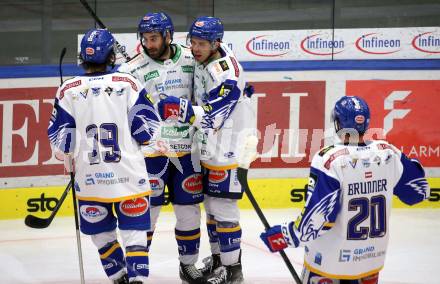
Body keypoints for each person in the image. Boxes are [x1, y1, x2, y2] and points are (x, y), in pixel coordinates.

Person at [260, 96, 430, 284]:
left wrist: (284, 235)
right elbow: (419, 193)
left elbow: (319, 220)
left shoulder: (329, 159)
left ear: (338, 123)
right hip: (370, 264)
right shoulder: (389, 153)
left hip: (329, 265)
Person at [47, 28, 160, 284]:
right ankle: (137, 280)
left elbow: (60, 142)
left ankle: (119, 277)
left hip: (90, 180)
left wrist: (67, 153)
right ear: (111, 56)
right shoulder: (128, 83)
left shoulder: (68, 90)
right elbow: (148, 131)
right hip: (129, 179)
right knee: (135, 235)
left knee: (102, 236)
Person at [158, 16, 257, 284]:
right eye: (193, 43)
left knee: (224, 211)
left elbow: (215, 117)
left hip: (229, 149)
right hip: (209, 146)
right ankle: (218, 263)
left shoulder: (227, 71)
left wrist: (179, 109)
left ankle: (233, 271)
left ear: (216, 43)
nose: (196, 48)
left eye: (202, 43)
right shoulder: (204, 60)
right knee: (212, 209)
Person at [118, 12, 205, 284]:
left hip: (187, 152)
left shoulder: (192, 59)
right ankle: (137, 270)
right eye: (144, 38)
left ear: (168, 36)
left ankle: (188, 266)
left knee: (189, 212)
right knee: (148, 213)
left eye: (154, 37)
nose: (148, 43)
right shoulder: (130, 70)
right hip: (151, 154)